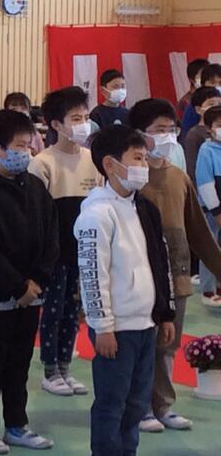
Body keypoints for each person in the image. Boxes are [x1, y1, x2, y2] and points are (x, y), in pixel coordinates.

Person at [75, 125, 176, 456]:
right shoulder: (97, 214)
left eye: (145, 158)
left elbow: (160, 262)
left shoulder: (145, 208)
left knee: (136, 404)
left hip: (146, 323)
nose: (144, 166)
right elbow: (93, 275)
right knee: (112, 403)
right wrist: (102, 326)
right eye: (137, 158)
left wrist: (165, 313)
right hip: (116, 328)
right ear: (110, 164)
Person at [0, 109, 58, 453]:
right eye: (20, 145)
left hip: (32, 295)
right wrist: (18, 286)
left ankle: (17, 424)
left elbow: (51, 236)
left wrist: (38, 281)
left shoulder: (34, 186)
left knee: (20, 364)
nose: (28, 151)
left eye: (30, 144)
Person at [129, 98, 221, 432]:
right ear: (140, 133)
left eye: (171, 129)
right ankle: (139, 408)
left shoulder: (179, 177)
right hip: (140, 278)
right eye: (159, 130)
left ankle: (163, 406)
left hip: (177, 278)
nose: (167, 136)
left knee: (168, 346)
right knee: (141, 347)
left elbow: (198, 230)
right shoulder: (132, 178)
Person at [29, 87, 102, 398]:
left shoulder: (92, 159)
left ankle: (65, 367)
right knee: (53, 310)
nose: (83, 124)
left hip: (82, 250)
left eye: (85, 117)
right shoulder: (42, 162)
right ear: (56, 124)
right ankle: (50, 371)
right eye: (75, 118)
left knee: (74, 311)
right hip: (54, 252)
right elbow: (36, 214)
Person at [194, 105, 221, 308]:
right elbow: (205, 184)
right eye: (220, 124)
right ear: (210, 128)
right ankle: (208, 290)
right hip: (212, 211)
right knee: (210, 248)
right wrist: (217, 211)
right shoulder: (206, 150)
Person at [184, 86, 221, 181]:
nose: (216, 107)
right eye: (211, 104)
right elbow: (192, 167)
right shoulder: (194, 134)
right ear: (198, 109)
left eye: (219, 104)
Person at [181, 63, 221, 143]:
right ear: (203, 84)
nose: (217, 86)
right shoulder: (192, 107)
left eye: (220, 83)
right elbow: (186, 136)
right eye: (212, 83)